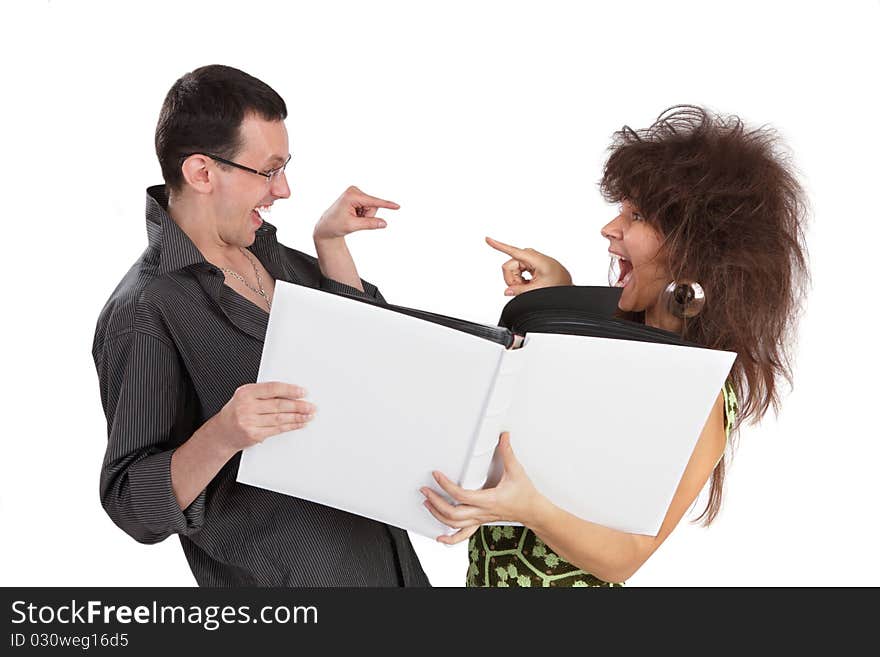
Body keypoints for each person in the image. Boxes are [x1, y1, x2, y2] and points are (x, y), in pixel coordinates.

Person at [419, 105, 809, 586]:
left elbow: (623, 558)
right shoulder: (620, 343)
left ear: (696, 248)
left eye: (637, 215)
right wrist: (554, 299)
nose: (610, 228)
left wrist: (528, 510)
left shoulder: (700, 394)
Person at [92, 64, 429, 586]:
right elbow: (133, 505)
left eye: (285, 167)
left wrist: (332, 248)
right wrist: (224, 435)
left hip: (390, 570)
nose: (286, 189)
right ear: (202, 173)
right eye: (269, 171)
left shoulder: (283, 263)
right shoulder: (145, 309)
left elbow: (372, 362)